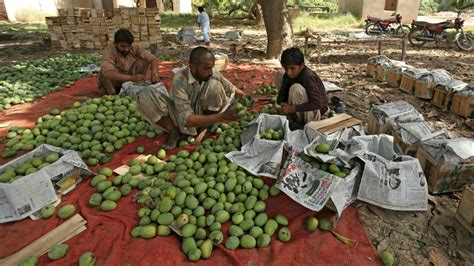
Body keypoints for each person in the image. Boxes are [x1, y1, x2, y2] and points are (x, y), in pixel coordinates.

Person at [136, 46, 245, 149]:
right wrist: (222, 117)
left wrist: (247, 99)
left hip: (204, 113)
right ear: (192, 67)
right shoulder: (179, 80)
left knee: (214, 85)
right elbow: (186, 119)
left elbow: (232, 89)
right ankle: (174, 131)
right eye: (206, 68)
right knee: (144, 95)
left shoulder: (212, 73)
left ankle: (205, 127)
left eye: (211, 67)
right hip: (182, 116)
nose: (210, 72)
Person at [276, 47, 329, 127]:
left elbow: (317, 103)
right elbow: (281, 97)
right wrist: (281, 105)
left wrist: (292, 108)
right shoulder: (288, 74)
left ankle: (305, 124)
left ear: (301, 66)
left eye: (292, 68)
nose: (288, 72)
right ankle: (295, 117)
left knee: (295, 88)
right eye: (286, 68)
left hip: (317, 112)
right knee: (279, 74)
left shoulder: (308, 77)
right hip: (301, 107)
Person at [97, 28, 160, 95]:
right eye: (123, 46)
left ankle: (136, 85)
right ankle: (112, 92)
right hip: (114, 81)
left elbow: (153, 59)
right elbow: (107, 73)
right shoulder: (109, 52)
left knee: (144, 61)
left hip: (128, 77)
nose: (126, 49)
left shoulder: (135, 46)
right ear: (115, 44)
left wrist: (154, 73)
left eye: (128, 46)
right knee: (106, 74)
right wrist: (131, 78)